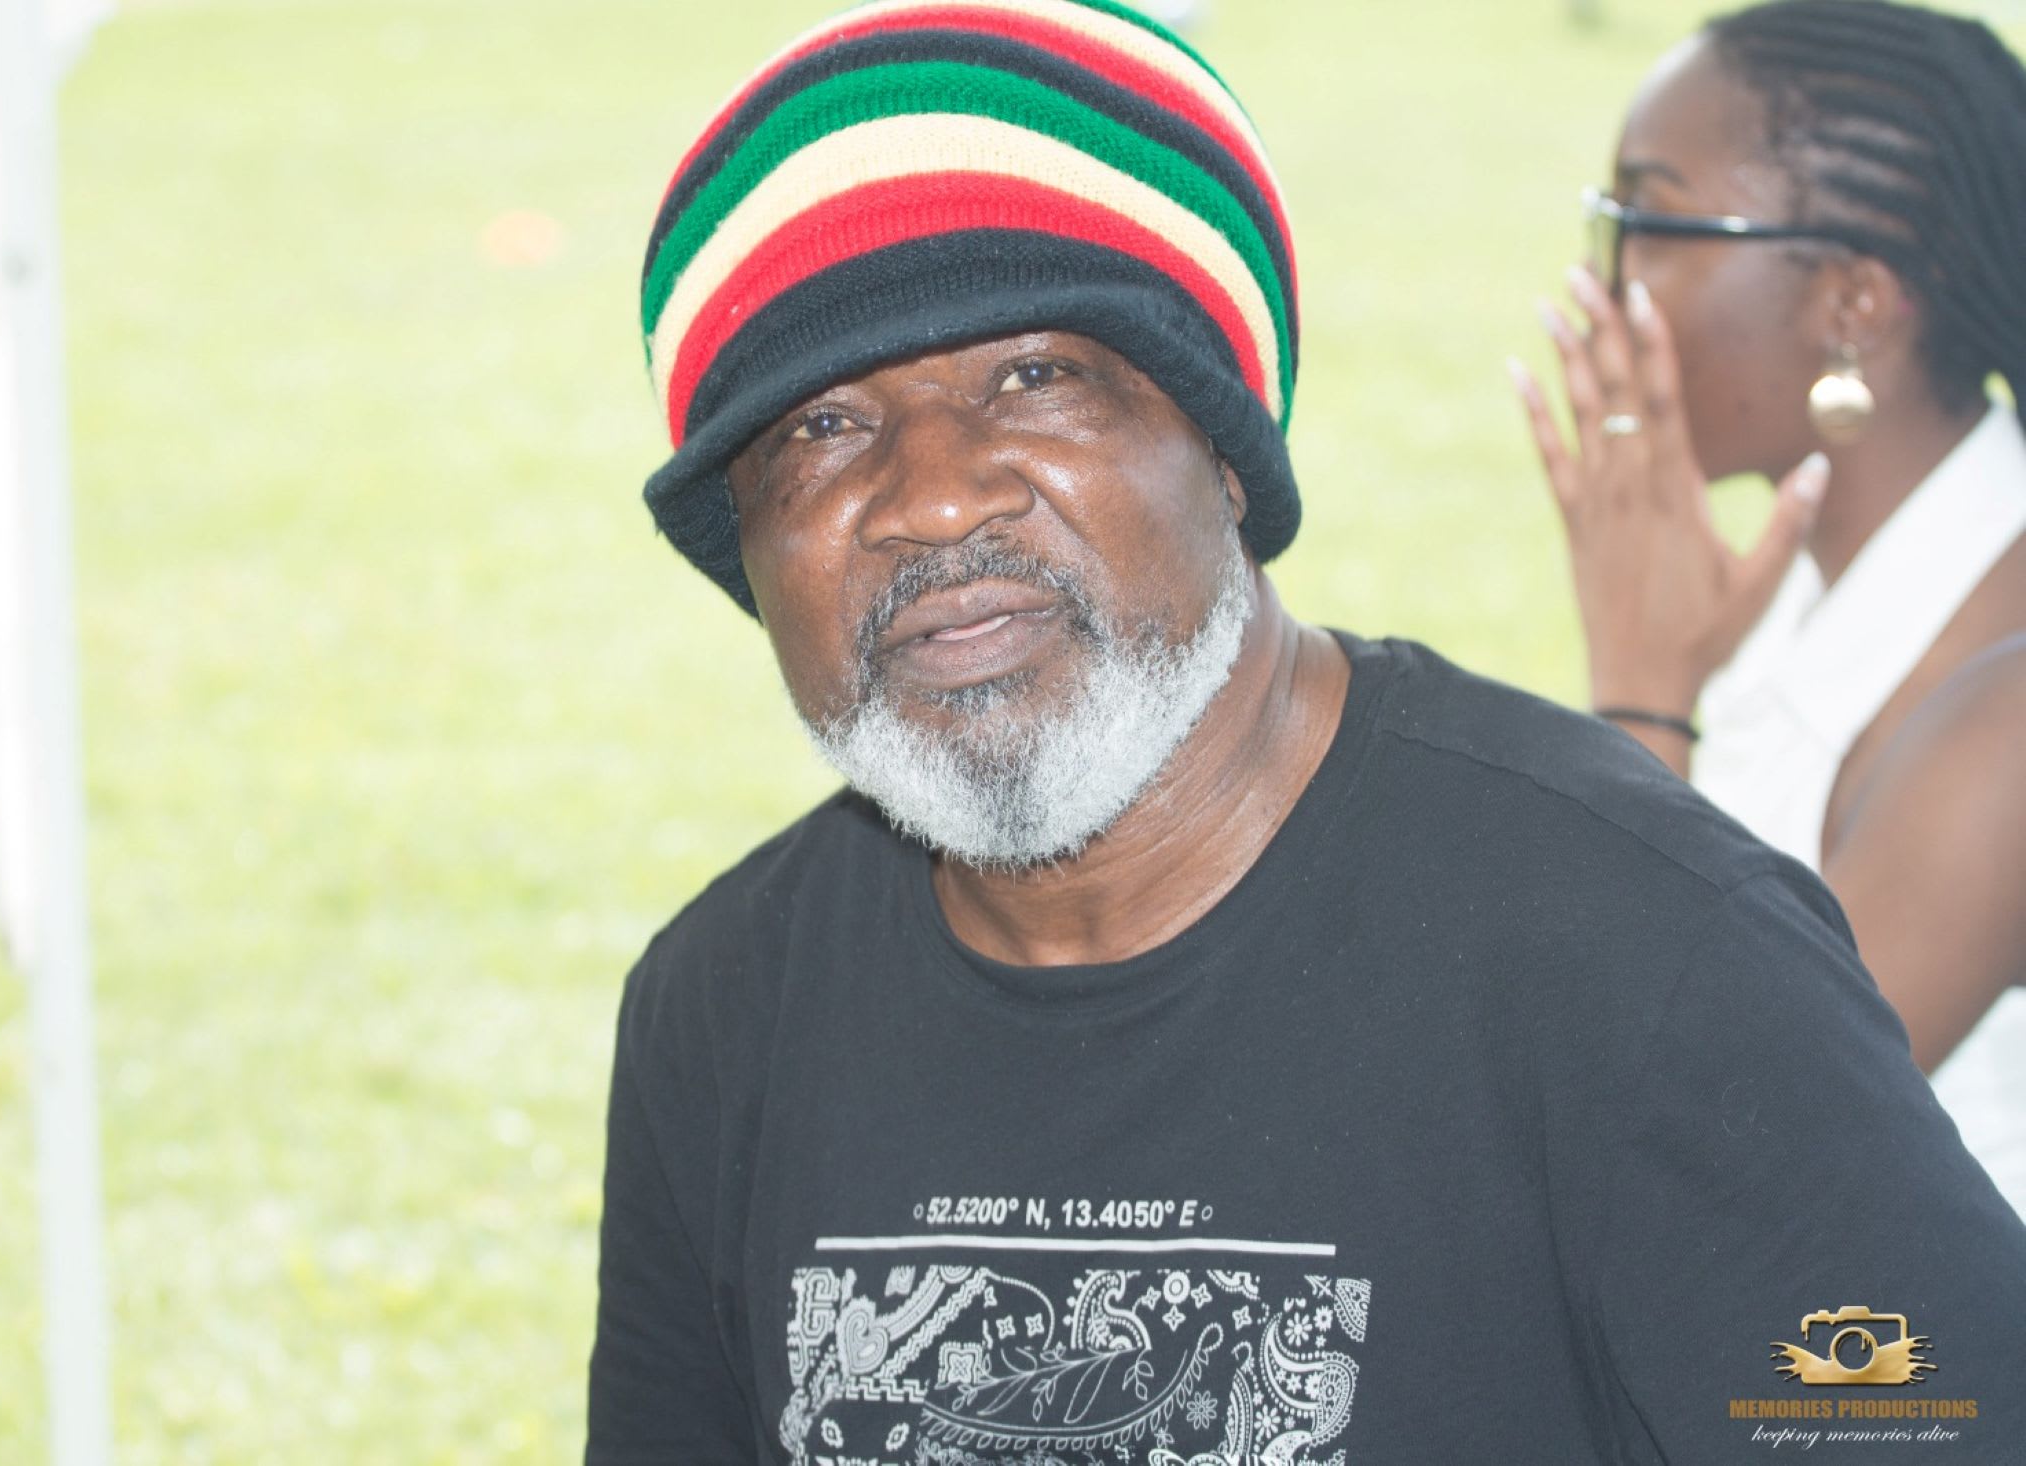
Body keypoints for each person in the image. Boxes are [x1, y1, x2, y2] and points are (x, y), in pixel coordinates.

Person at [592, 3, 2026, 1461]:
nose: (936, 496)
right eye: (820, 427)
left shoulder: (1655, 958)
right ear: (746, 551)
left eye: (1035, 375)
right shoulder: (724, 1009)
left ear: (1225, 444)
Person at [1511, 0, 2026, 1224]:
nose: (1602, 281)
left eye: (1647, 222)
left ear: (1851, 305)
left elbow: (1688, 1149)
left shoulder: (2001, 708)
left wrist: (1642, 696)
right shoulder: (1793, 576)